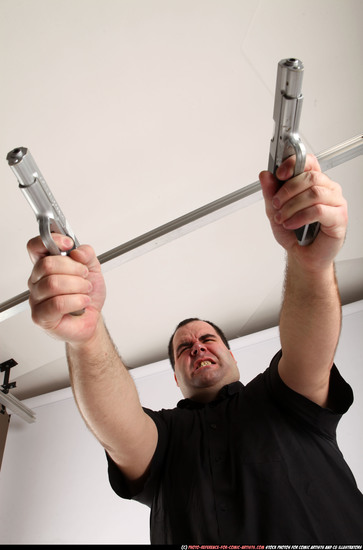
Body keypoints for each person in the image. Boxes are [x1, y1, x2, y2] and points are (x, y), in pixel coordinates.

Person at [27, 155, 363, 543]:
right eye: (184, 347)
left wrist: (311, 265)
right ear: (175, 376)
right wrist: (86, 337)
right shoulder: (165, 436)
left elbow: (309, 353)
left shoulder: (281, 397)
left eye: (207, 339)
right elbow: (118, 429)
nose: (197, 347)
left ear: (232, 354)